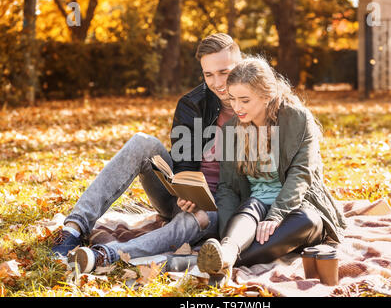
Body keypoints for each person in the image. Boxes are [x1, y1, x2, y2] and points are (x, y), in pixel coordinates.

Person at [51, 33, 242, 273]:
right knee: (142, 142)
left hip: (223, 208)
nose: (217, 83)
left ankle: (105, 255)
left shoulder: (256, 104)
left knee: (202, 216)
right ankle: (73, 229)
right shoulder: (193, 103)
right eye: (208, 75)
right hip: (185, 200)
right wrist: (184, 191)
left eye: (224, 72)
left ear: (240, 65)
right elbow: (184, 165)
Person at [195, 56, 347, 282]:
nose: (237, 107)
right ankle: (226, 253)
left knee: (308, 220)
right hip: (253, 208)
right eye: (233, 99)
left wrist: (276, 215)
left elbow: (301, 174)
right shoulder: (230, 130)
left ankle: (223, 261)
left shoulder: (297, 119)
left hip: (298, 206)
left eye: (245, 100)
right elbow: (227, 187)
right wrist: (227, 235)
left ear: (266, 96)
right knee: (249, 209)